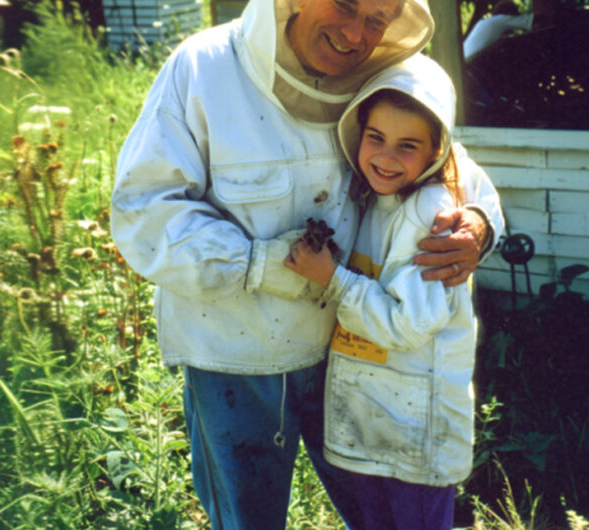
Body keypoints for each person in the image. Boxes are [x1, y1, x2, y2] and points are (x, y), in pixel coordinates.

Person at [110, 0, 504, 528]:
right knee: (248, 519)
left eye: (377, 18)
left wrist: (480, 222)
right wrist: (258, 263)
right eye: (344, 4)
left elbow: (449, 163)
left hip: (349, 355)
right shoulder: (202, 67)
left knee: (377, 517)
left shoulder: (385, 72)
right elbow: (145, 208)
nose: (355, 32)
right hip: (234, 356)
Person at [285, 57, 480, 530]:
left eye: (407, 146)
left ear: (437, 150)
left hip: (416, 425)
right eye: (376, 138)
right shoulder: (375, 200)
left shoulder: (429, 213)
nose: (386, 157)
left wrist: (332, 278)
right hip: (379, 419)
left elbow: (406, 323)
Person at [463, 0, 534, 61]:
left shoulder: (483, 22)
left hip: (463, 61)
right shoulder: (503, 19)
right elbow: (532, 21)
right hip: (472, 63)